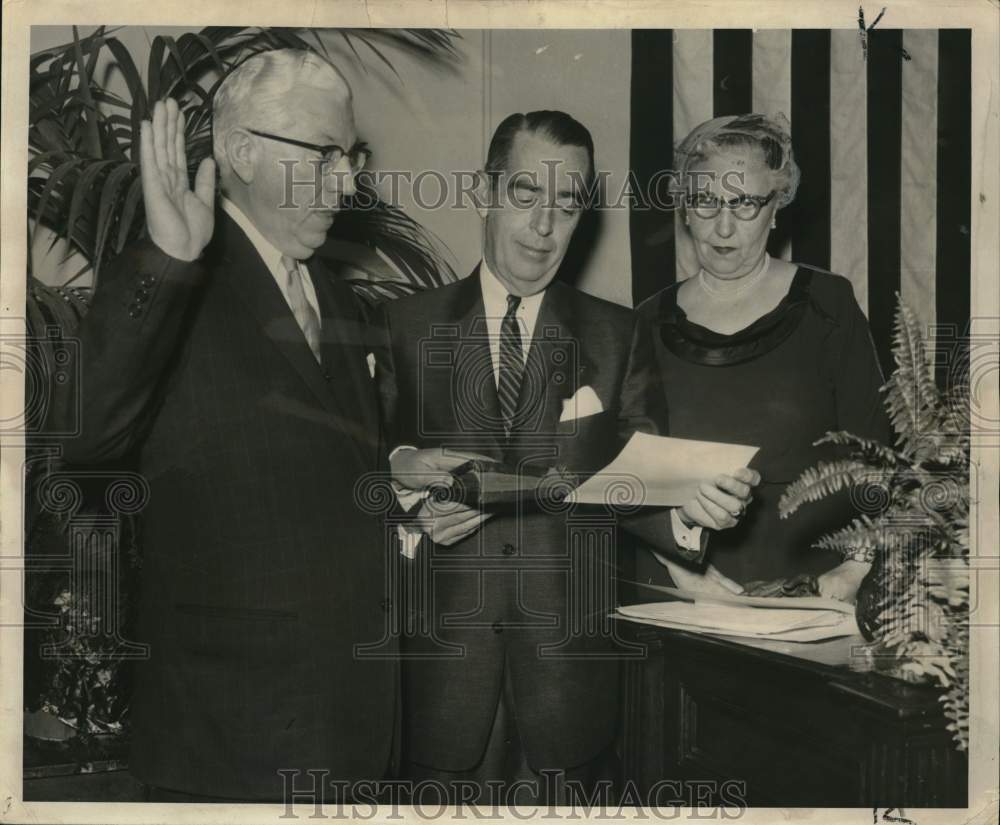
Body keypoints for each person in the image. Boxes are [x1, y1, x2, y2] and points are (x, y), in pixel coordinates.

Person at [373, 110, 759, 803]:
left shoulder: (617, 334)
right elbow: (364, 466)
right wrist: (410, 503)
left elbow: (641, 479)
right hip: (437, 689)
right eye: (526, 195)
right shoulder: (406, 325)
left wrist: (690, 509)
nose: (545, 226)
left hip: (570, 693)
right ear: (484, 192)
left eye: (568, 203)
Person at [56, 50, 396, 802]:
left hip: (349, 725)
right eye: (326, 155)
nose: (348, 181)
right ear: (241, 150)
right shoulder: (173, 276)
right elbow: (84, 443)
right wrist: (171, 256)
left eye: (353, 156)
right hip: (226, 738)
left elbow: (320, 472)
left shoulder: (339, 303)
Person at [634, 113, 891, 602]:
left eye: (746, 203)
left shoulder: (828, 304)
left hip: (819, 591)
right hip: (691, 592)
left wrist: (850, 575)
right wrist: (682, 575)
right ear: (685, 209)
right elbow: (635, 483)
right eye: (706, 201)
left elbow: (876, 458)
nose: (723, 225)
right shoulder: (646, 321)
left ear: (776, 210)